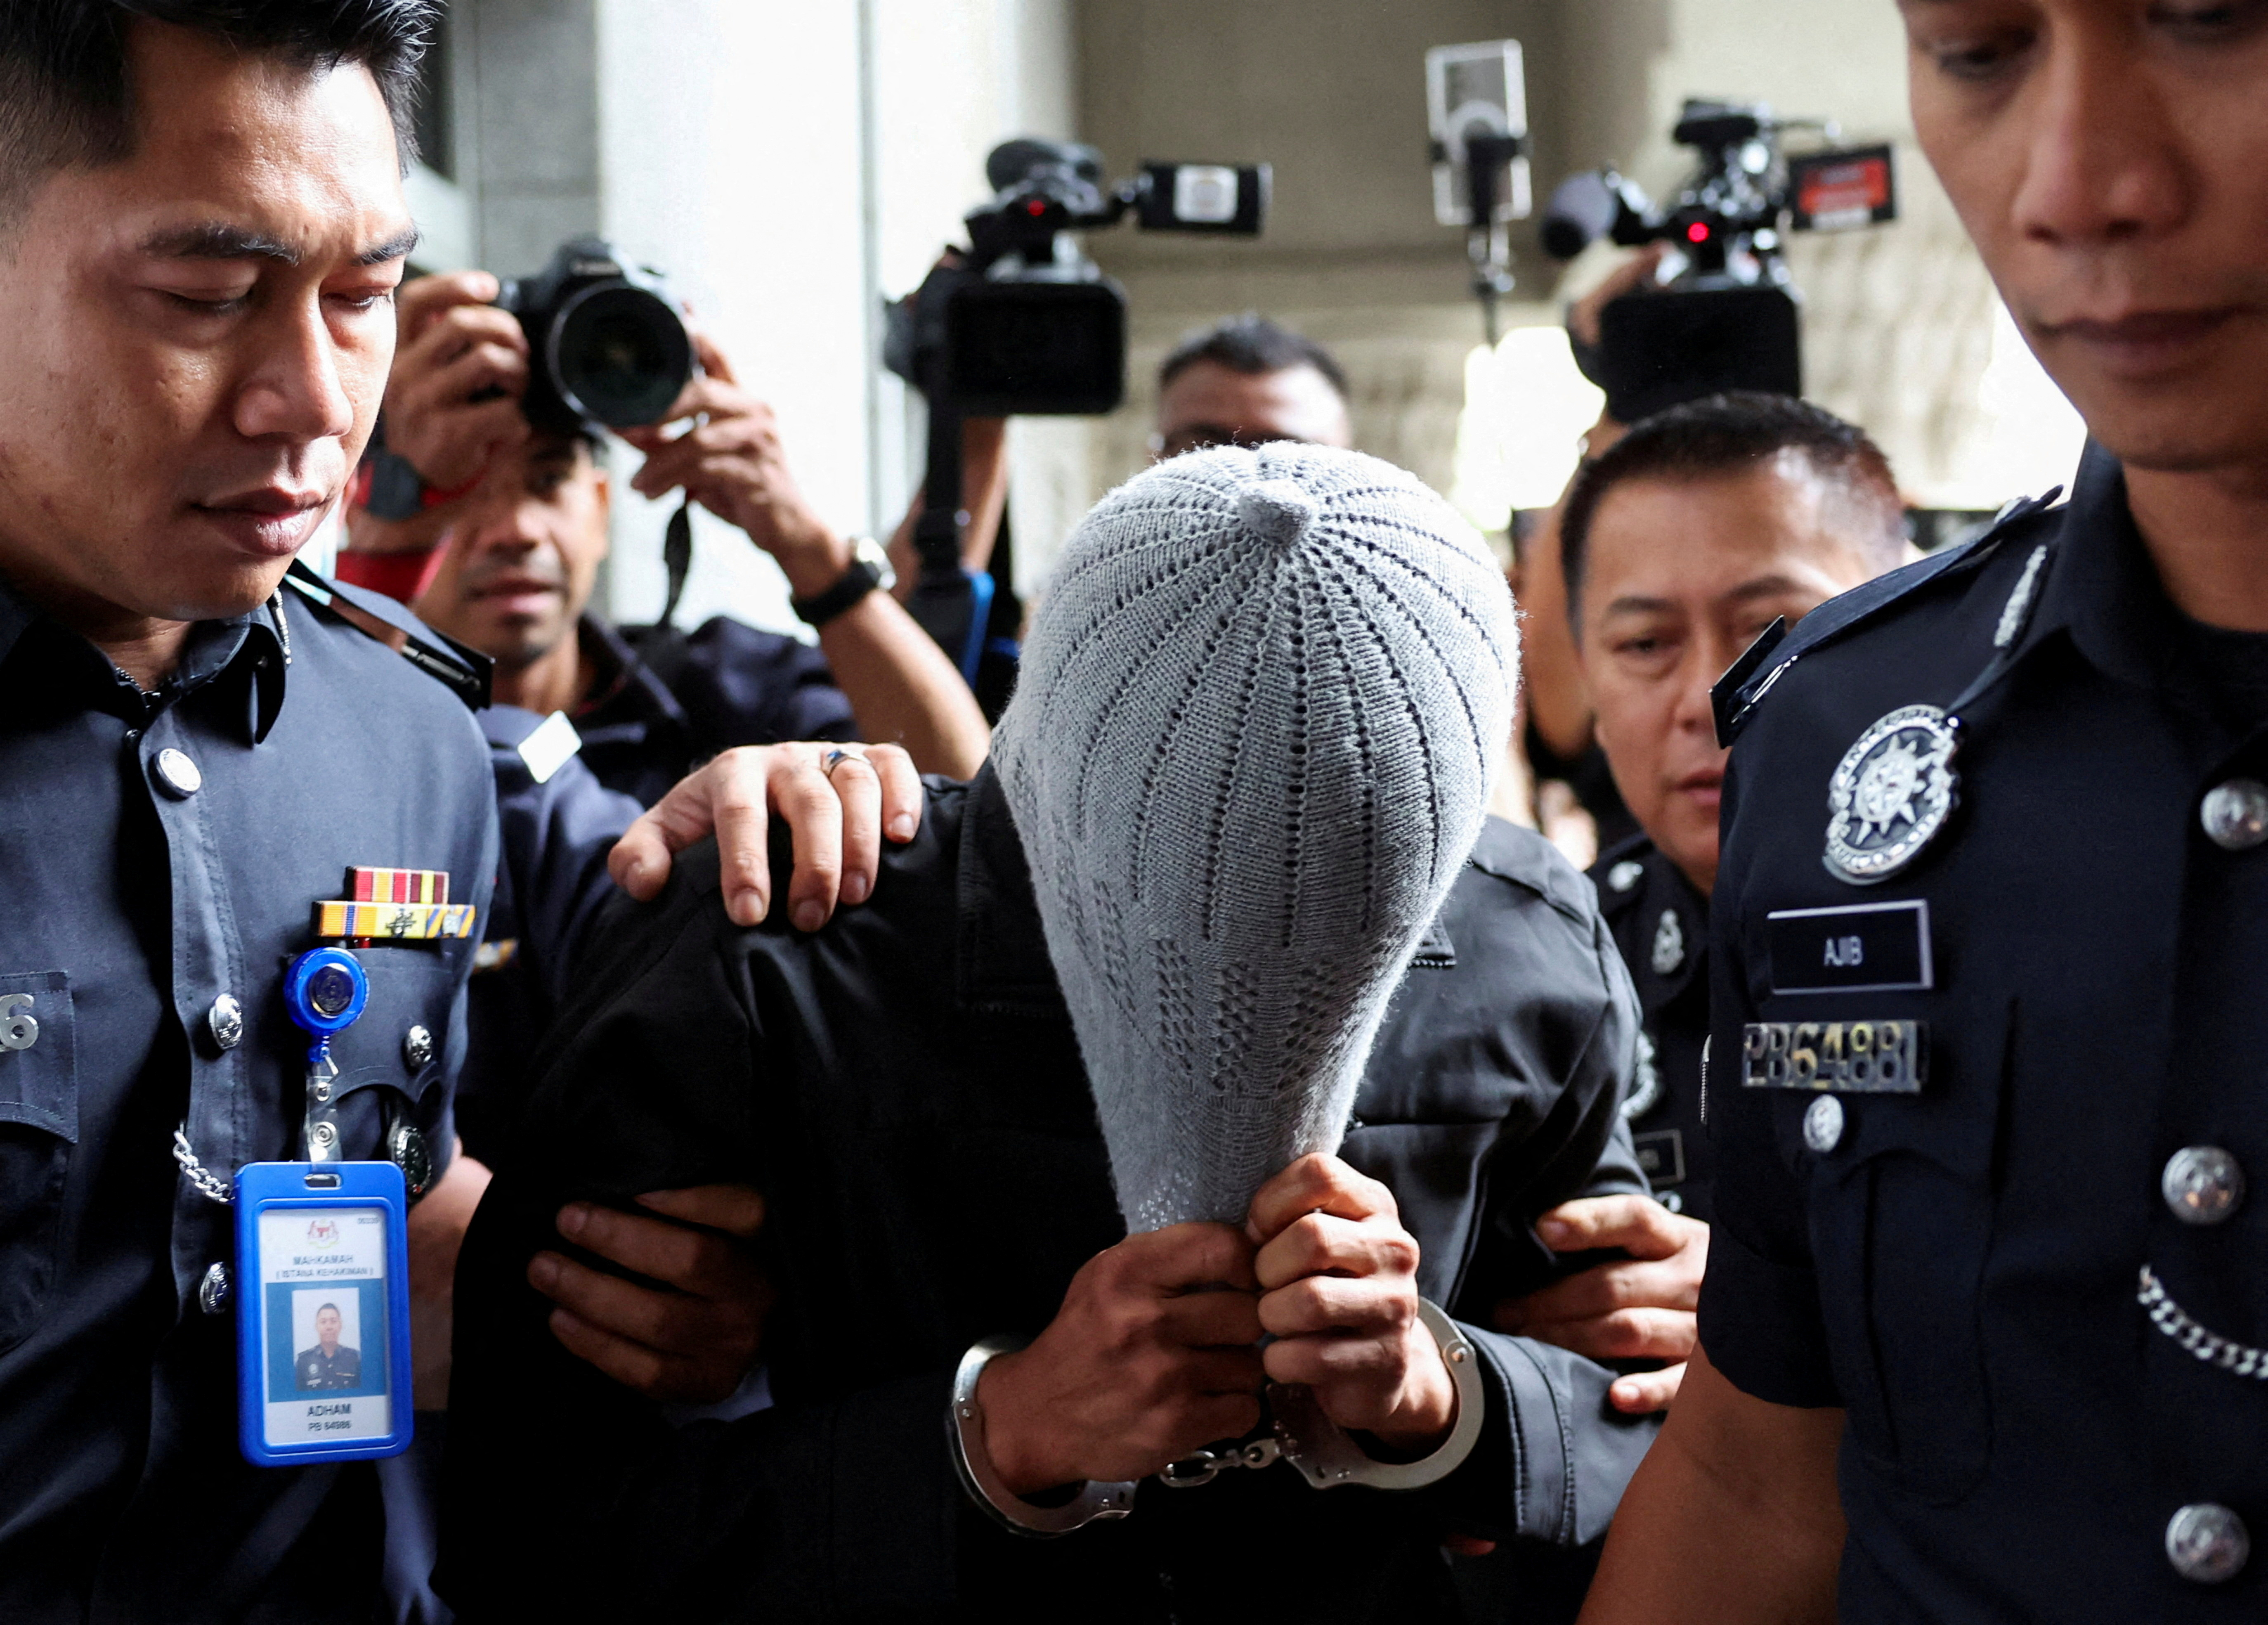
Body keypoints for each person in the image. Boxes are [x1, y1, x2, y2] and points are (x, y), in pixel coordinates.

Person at [0, 5, 907, 1617]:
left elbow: (351, 1207)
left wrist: (620, 1292)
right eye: (210, 298)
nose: (311, 398)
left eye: (362, 299)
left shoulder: (418, 741)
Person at [441, 445, 1662, 1622]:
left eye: (1353, 898)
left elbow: (1647, 1418)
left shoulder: (1527, 952)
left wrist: (1435, 1396)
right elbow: (529, 1530)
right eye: (1172, 880)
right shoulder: (778, 953)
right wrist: (992, 1431)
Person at [1579, 2, 2268, 1619]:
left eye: (2212, 20)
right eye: (1977, 49)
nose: (2078, 183)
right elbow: (1762, 1473)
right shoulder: (1842, 736)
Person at [345, 272, 992, 797]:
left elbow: (964, 800)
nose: (515, 531)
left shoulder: (720, 690)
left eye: (547, 483)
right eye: (468, 490)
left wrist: (806, 546)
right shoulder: (368, 720)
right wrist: (383, 552)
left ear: (601, 510)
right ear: (376, 507)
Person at [1548, 393, 1911, 1227]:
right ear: (1590, 683)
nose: (1712, 700)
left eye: (1772, 633)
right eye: (1645, 644)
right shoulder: (1551, 980)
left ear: (1910, 627)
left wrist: (1764, 1308)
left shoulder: (2028, 933)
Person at [297, 1306, 362, 1392]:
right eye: (323, 1322)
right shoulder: (304, 1361)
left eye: (334, 1321)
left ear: (341, 1325)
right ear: (317, 1326)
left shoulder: (355, 1358)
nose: (329, 1327)